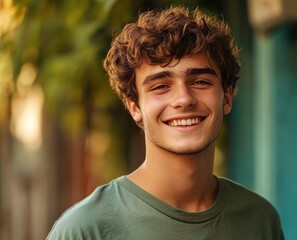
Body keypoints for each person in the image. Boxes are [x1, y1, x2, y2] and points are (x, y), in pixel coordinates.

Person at [47, 6, 284, 240]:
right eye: (160, 86)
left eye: (200, 82)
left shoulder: (260, 219)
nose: (183, 99)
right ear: (134, 107)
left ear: (228, 96)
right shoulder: (85, 229)